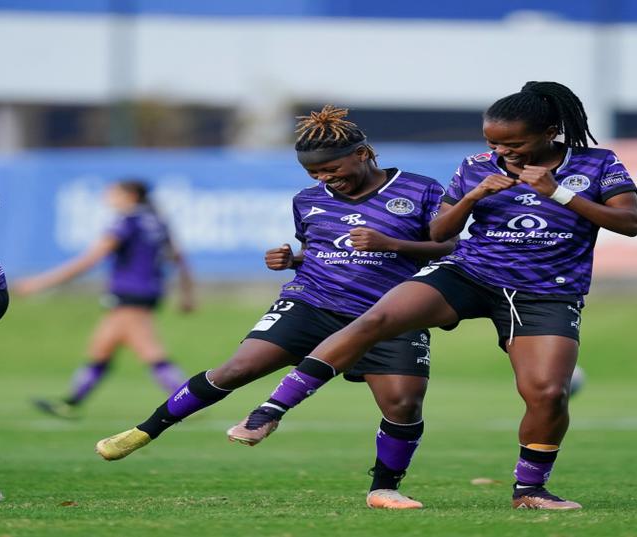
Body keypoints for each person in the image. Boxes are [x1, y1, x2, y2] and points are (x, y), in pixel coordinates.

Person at [234, 82, 637, 510]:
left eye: (515, 143)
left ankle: (530, 490)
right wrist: (474, 195)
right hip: (470, 272)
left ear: (551, 131)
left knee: (547, 393)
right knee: (376, 319)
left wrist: (557, 192)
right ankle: (270, 410)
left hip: (546, 291)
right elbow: (441, 233)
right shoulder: (477, 166)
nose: (504, 151)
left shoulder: (598, 164)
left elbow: (628, 223)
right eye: (493, 142)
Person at [95, 106, 455, 510]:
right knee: (236, 368)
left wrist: (393, 244)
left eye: (332, 168)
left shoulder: (420, 189)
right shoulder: (307, 201)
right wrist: (293, 260)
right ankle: (145, 431)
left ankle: (383, 488)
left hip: (391, 313)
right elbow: (320, 250)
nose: (324, 178)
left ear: (363, 153)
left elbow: (450, 246)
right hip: (313, 301)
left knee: (404, 404)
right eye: (314, 173)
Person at [15, 180, 194, 418]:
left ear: (130, 196)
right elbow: (178, 257)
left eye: (112, 193)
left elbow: (91, 258)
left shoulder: (126, 222)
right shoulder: (157, 221)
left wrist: (40, 283)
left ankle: (188, 401)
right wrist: (187, 292)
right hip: (147, 292)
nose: (107, 198)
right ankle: (70, 403)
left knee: (150, 351)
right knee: (101, 348)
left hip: (129, 294)